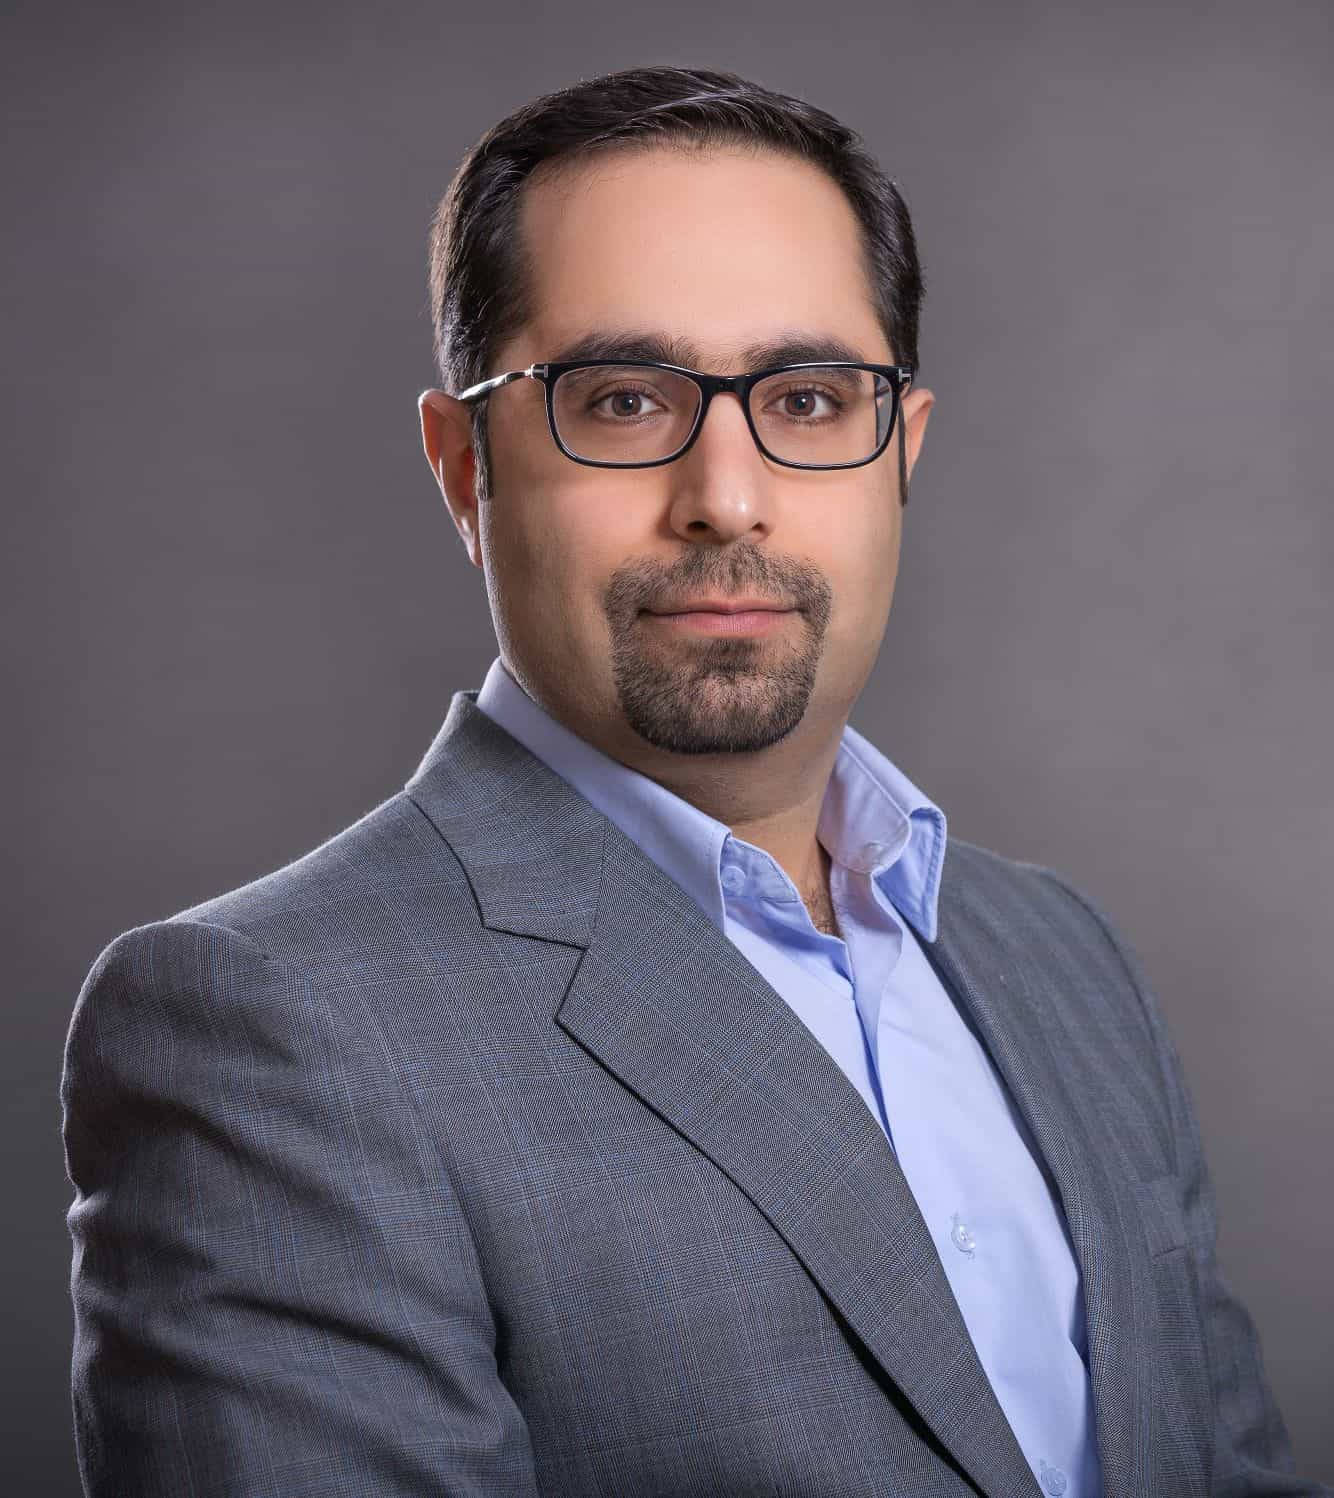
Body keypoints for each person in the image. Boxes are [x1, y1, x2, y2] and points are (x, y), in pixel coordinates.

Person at [60, 64, 1325, 1498]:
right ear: (465, 470)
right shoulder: (270, 1027)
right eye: (619, 401)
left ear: (899, 456)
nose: (727, 497)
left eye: (808, 398)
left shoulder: (1061, 959)